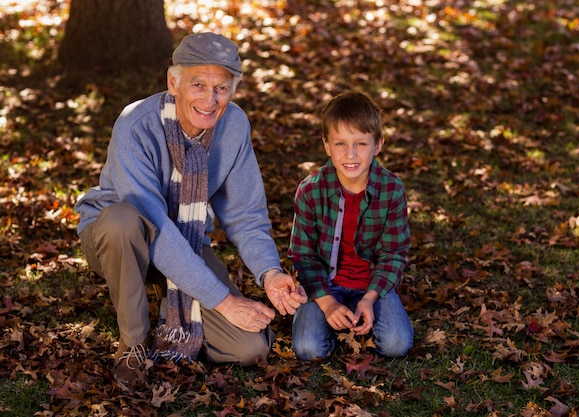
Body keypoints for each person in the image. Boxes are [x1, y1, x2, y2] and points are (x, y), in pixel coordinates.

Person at [74, 32, 307, 388]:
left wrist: (269, 272)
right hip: (119, 240)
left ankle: (169, 295)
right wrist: (225, 302)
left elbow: (245, 214)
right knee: (123, 221)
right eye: (197, 84)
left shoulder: (234, 125)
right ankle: (132, 345)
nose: (210, 100)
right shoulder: (135, 124)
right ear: (173, 81)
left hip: (187, 237)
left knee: (249, 349)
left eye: (222, 88)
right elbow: (154, 224)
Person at [288, 91, 413, 361]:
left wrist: (370, 297)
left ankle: (360, 310)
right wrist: (327, 303)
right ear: (326, 145)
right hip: (323, 283)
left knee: (395, 344)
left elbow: (394, 253)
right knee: (308, 349)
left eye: (361, 143)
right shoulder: (311, 190)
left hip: (371, 283)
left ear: (378, 144)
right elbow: (303, 256)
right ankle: (336, 317)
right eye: (341, 143)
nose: (351, 154)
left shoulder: (391, 189)